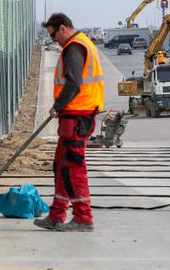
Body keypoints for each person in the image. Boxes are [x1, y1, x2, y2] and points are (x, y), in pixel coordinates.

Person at [34, 13, 104, 231]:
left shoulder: (74, 47)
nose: (54, 39)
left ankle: (83, 217)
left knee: (73, 168)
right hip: (75, 116)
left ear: (62, 28)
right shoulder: (79, 44)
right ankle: (56, 215)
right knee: (62, 166)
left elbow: (73, 84)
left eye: (54, 34)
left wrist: (58, 106)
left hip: (77, 116)